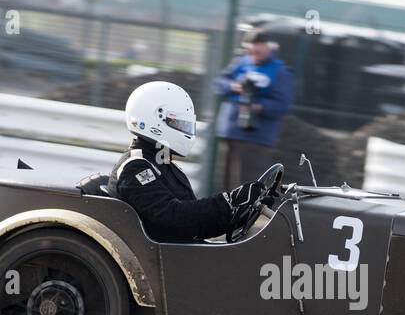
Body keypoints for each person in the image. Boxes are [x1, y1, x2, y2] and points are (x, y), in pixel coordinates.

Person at [78, 81, 271, 242]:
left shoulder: (165, 166)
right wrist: (227, 201)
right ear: (156, 120)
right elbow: (172, 216)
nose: (184, 129)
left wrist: (238, 211)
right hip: (166, 262)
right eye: (179, 124)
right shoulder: (135, 167)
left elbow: (197, 225)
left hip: (184, 256)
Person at [213, 29, 293, 191]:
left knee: (247, 188)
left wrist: (258, 107)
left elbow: (283, 105)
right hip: (231, 133)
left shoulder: (279, 71)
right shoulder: (241, 62)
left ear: (268, 47)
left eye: (259, 46)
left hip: (256, 138)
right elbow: (219, 83)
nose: (255, 51)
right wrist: (234, 87)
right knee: (224, 186)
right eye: (252, 47)